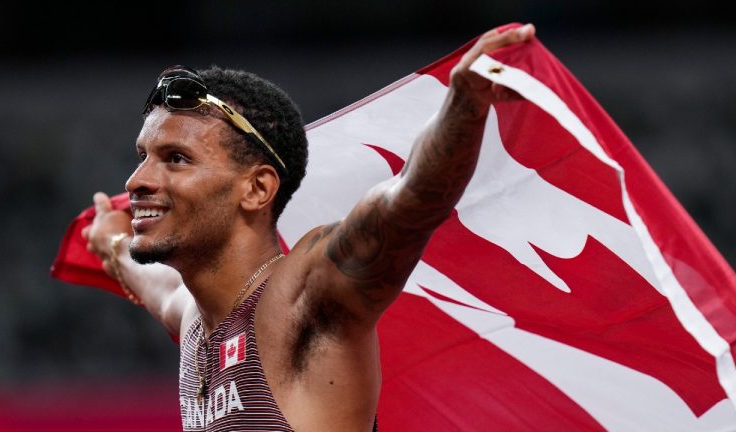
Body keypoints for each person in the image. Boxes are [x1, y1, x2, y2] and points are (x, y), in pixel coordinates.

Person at [83, 23, 537, 431]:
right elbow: (139, 270)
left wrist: (464, 104)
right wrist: (111, 240)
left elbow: (409, 202)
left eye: (176, 159)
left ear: (257, 189)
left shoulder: (305, 298)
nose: (136, 180)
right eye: (143, 157)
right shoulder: (195, 319)